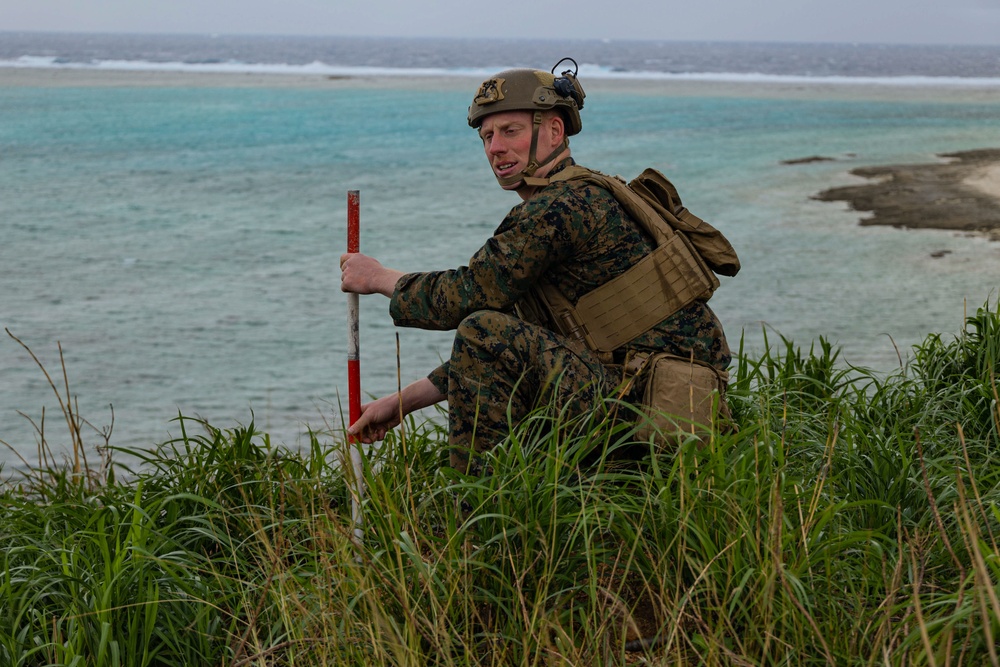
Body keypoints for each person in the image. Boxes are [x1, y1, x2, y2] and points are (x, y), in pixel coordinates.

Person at [340, 59, 732, 473]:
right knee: (495, 330)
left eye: (511, 131)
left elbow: (468, 296)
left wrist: (377, 277)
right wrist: (400, 404)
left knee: (481, 328)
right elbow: (526, 328)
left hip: (648, 407)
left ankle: (476, 512)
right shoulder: (588, 192)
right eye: (487, 136)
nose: (495, 147)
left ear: (554, 131)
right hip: (678, 405)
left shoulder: (559, 208)